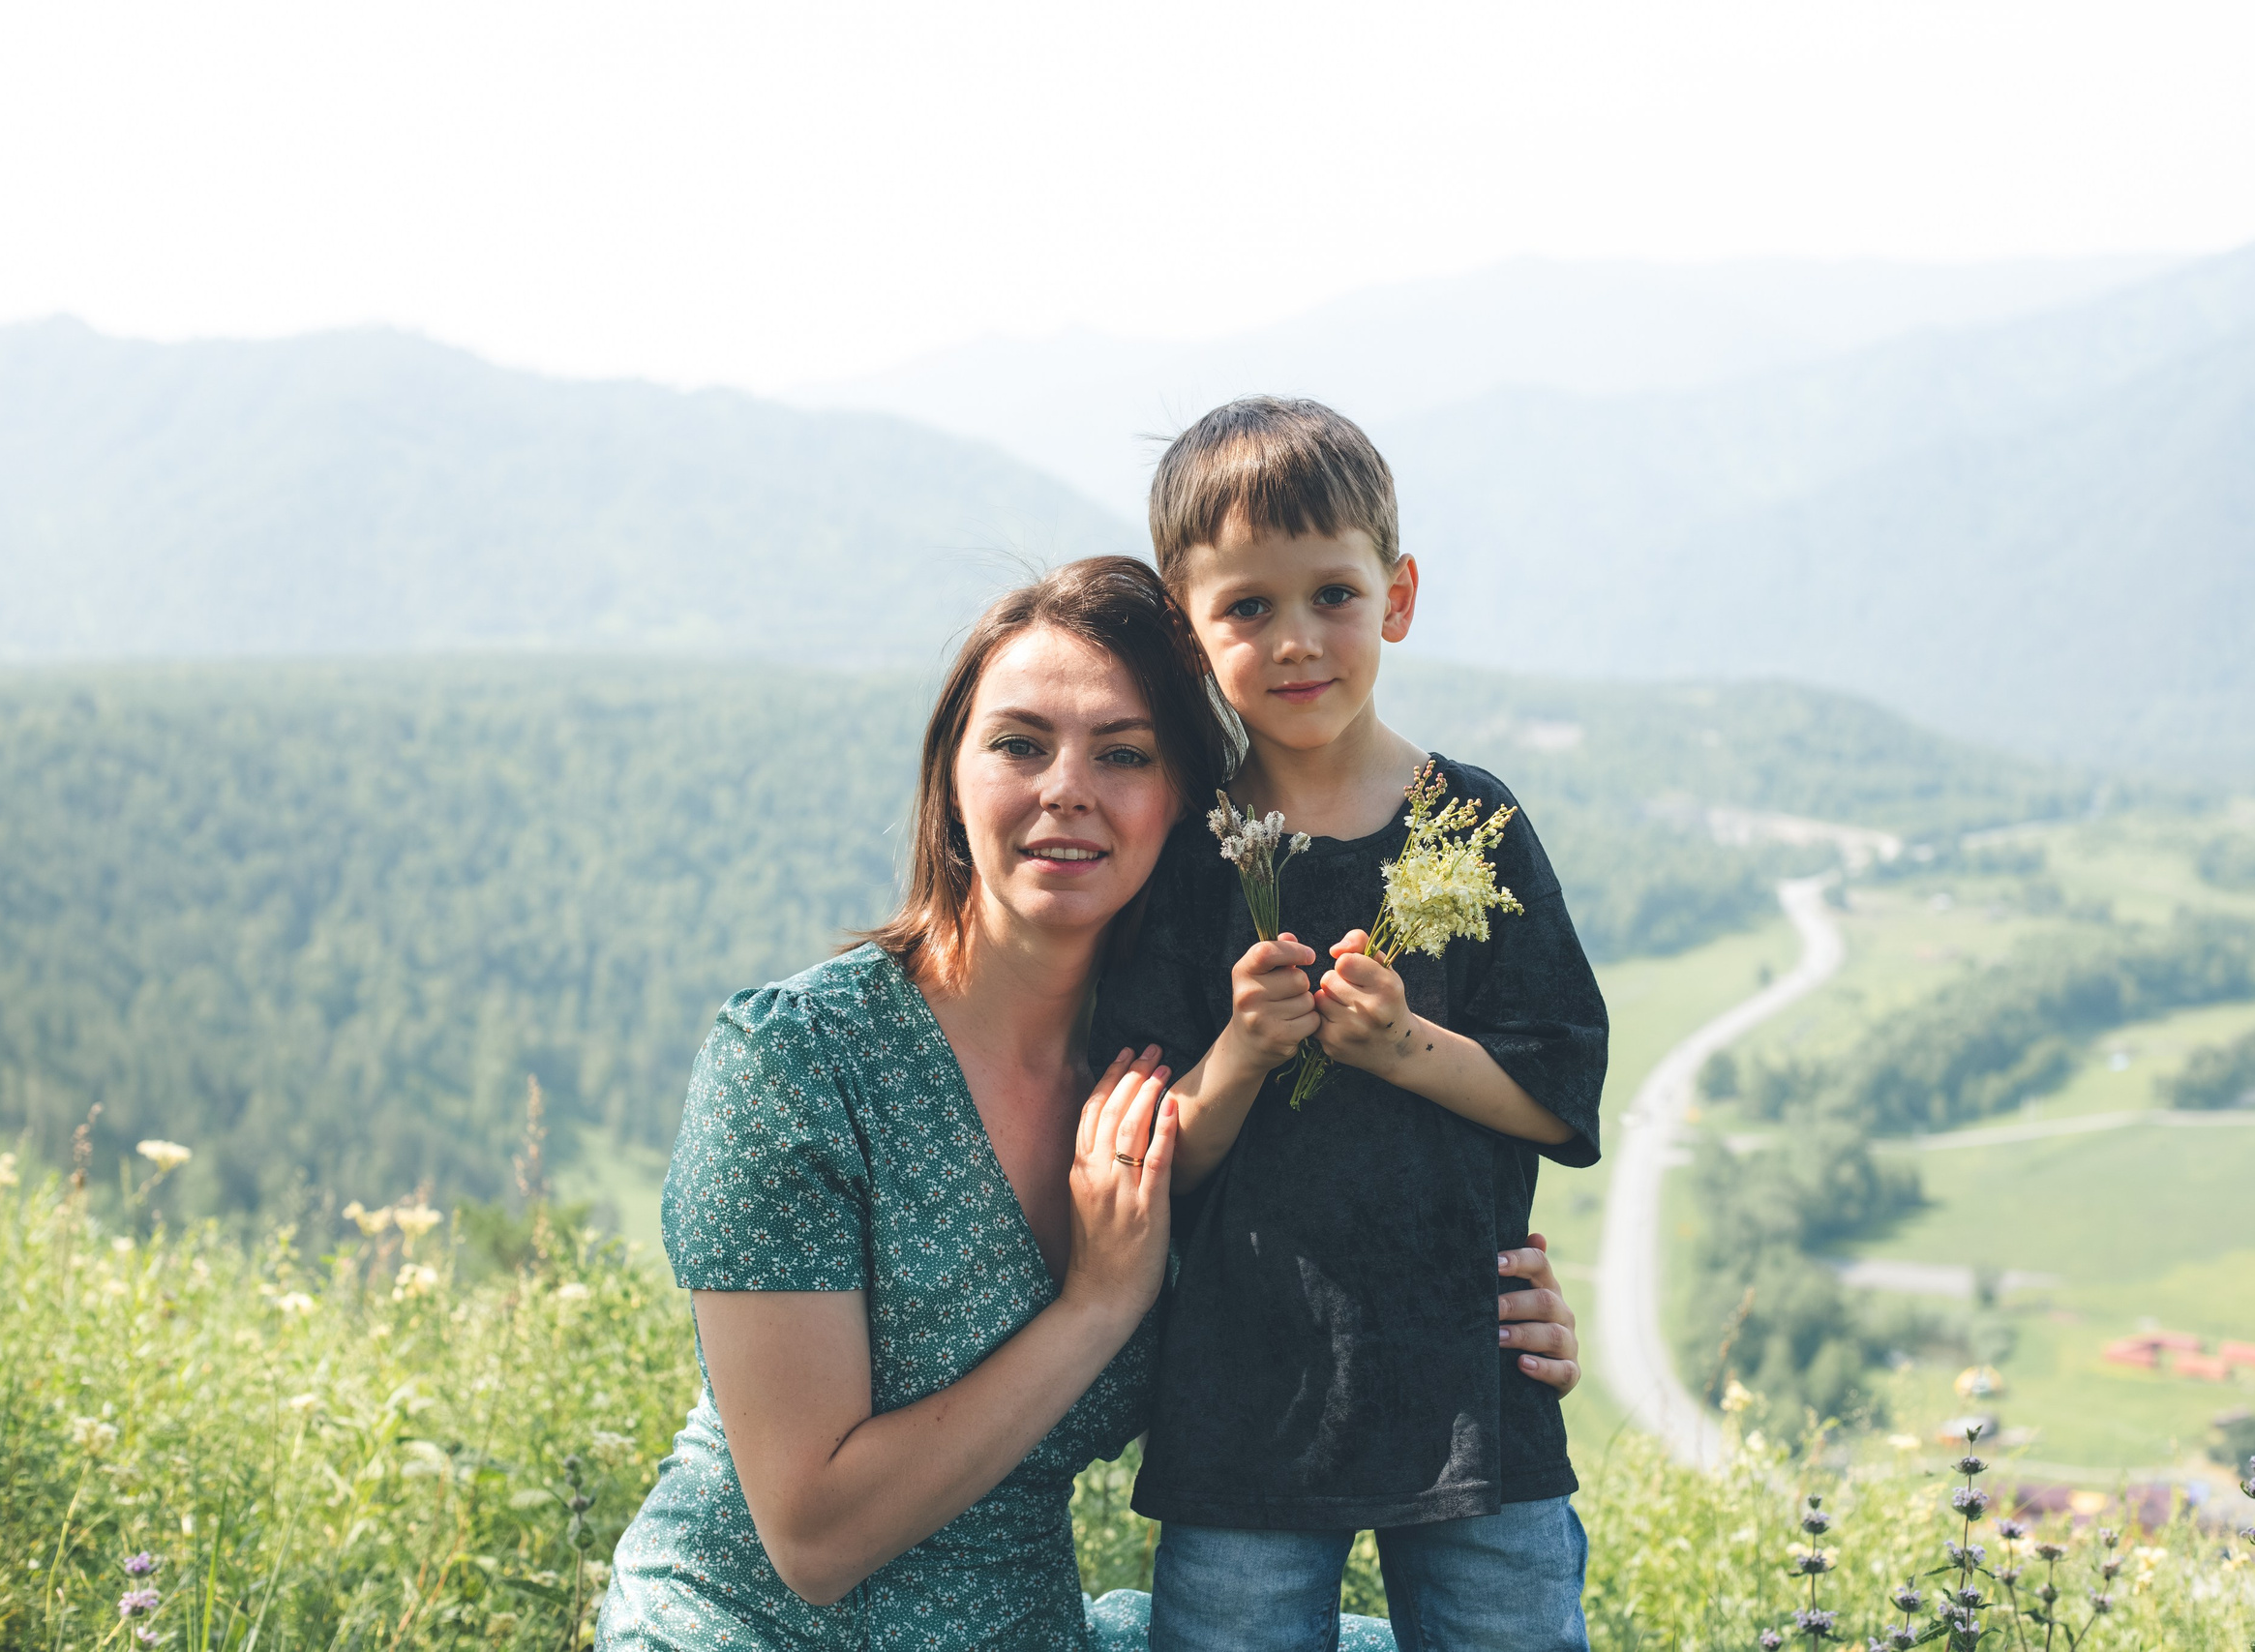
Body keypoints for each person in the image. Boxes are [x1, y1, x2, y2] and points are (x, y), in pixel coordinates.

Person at [595, 556, 1589, 1651]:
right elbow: (814, 1541)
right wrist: (1098, 1304)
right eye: (1020, 744)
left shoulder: (1197, 1083)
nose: (1068, 786)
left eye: (1124, 755)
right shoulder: (800, 1063)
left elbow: (1323, 1261)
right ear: (951, 777)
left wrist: (1476, 1315)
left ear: (1191, 811)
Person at [1097, 399, 1612, 1652]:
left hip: (1471, 1385)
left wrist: (1403, 1046)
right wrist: (1241, 1052)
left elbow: (1562, 1092)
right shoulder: (1188, 851)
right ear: (1188, 625)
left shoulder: (1472, 821)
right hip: (1247, 1390)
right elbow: (1165, 1158)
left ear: (1399, 593)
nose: (1297, 639)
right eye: (1248, 608)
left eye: (1332, 592)